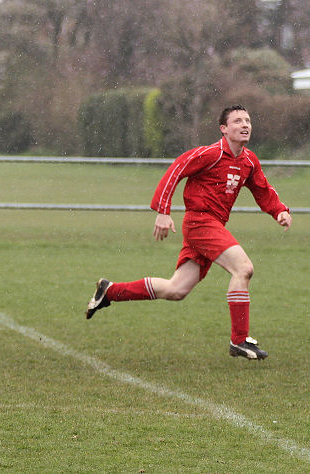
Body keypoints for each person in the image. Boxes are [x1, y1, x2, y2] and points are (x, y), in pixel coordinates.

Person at [85, 105, 292, 360]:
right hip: (200, 223)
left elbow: (263, 190)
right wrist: (163, 211)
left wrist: (279, 211)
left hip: (212, 226)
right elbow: (176, 170)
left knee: (176, 289)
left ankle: (110, 291)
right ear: (224, 129)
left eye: (247, 120)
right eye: (237, 121)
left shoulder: (249, 160)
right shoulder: (211, 154)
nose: (245, 124)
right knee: (243, 269)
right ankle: (239, 341)